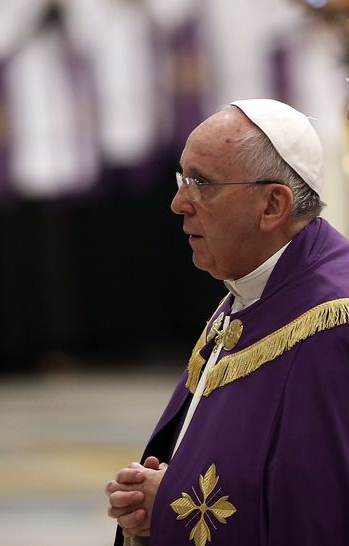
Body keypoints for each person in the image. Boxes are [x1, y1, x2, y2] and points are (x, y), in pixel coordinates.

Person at [105, 98, 349, 545]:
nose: (179, 202)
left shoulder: (331, 327)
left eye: (202, 183)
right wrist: (153, 513)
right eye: (183, 178)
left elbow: (320, 515)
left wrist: (172, 510)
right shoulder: (253, 290)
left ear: (273, 205)